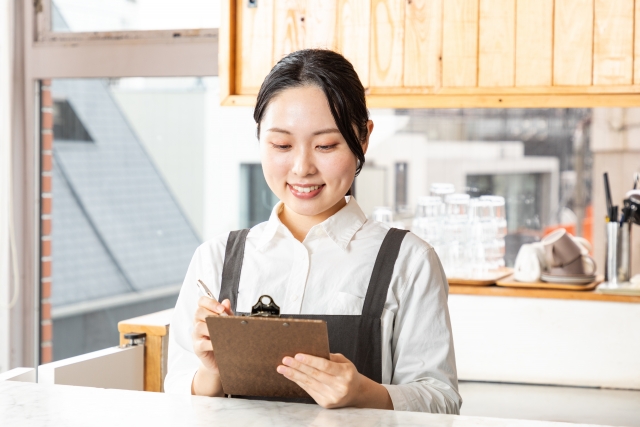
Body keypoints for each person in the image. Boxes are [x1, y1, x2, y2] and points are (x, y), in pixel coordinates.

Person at [164, 49, 461, 413]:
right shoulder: (216, 258)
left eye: (325, 145)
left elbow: (442, 400)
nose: (302, 167)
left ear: (363, 139)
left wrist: (364, 393)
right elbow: (175, 392)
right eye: (281, 145)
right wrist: (212, 374)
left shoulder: (409, 261)